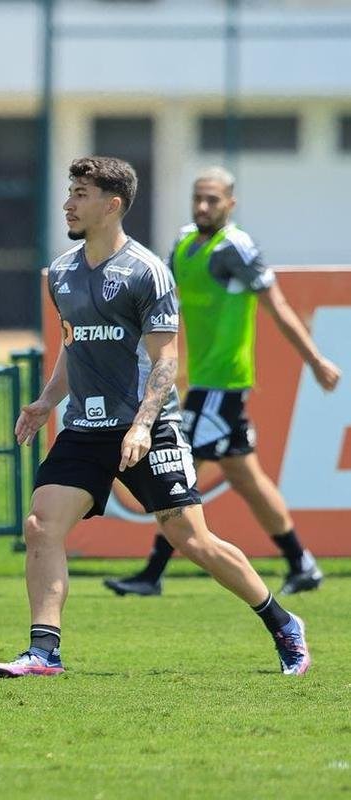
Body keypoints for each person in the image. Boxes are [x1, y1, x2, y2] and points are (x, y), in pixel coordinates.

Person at [0, 157, 310, 678]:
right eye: (69, 192)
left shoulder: (147, 272)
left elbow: (165, 359)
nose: (68, 203)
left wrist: (142, 425)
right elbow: (75, 346)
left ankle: (282, 622)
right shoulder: (65, 272)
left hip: (149, 425)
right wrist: (48, 401)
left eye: (80, 194)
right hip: (85, 428)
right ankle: (44, 652)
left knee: (192, 541)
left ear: (112, 204)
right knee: (41, 525)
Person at [104, 166, 341, 598]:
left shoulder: (235, 247)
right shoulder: (182, 243)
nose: (203, 206)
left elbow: (278, 306)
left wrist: (316, 361)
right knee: (245, 476)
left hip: (224, 384)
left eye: (213, 199)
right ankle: (301, 564)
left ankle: (152, 574)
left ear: (231, 203)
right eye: (198, 197)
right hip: (201, 383)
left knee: (173, 465)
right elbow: (162, 306)